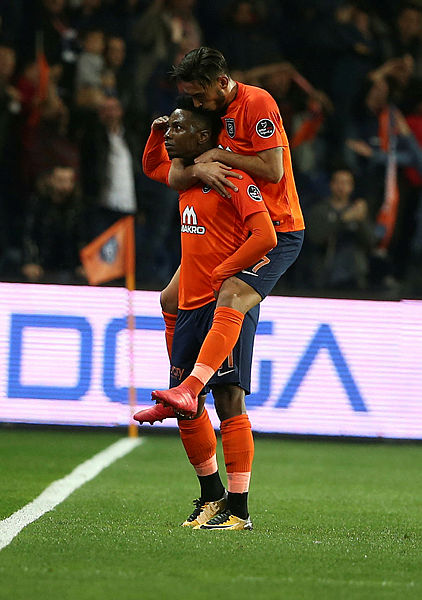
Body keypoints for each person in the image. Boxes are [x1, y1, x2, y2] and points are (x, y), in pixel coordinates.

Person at [135, 96, 277, 530]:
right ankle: (211, 497)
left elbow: (265, 235)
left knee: (228, 400)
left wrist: (223, 273)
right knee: (186, 405)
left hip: (224, 307)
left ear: (203, 137)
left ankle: (240, 510)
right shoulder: (188, 177)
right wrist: (156, 132)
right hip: (190, 307)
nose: (170, 135)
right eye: (170, 128)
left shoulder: (233, 178)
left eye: (178, 128)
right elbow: (152, 166)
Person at [153, 47, 304, 416]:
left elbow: (273, 171)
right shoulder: (211, 113)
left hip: (276, 229)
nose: (196, 103)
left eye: (199, 95)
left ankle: (190, 388)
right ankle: (179, 382)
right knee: (170, 299)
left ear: (222, 81)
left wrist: (220, 156)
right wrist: (198, 170)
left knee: (231, 294)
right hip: (233, 227)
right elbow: (172, 173)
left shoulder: (257, 103)